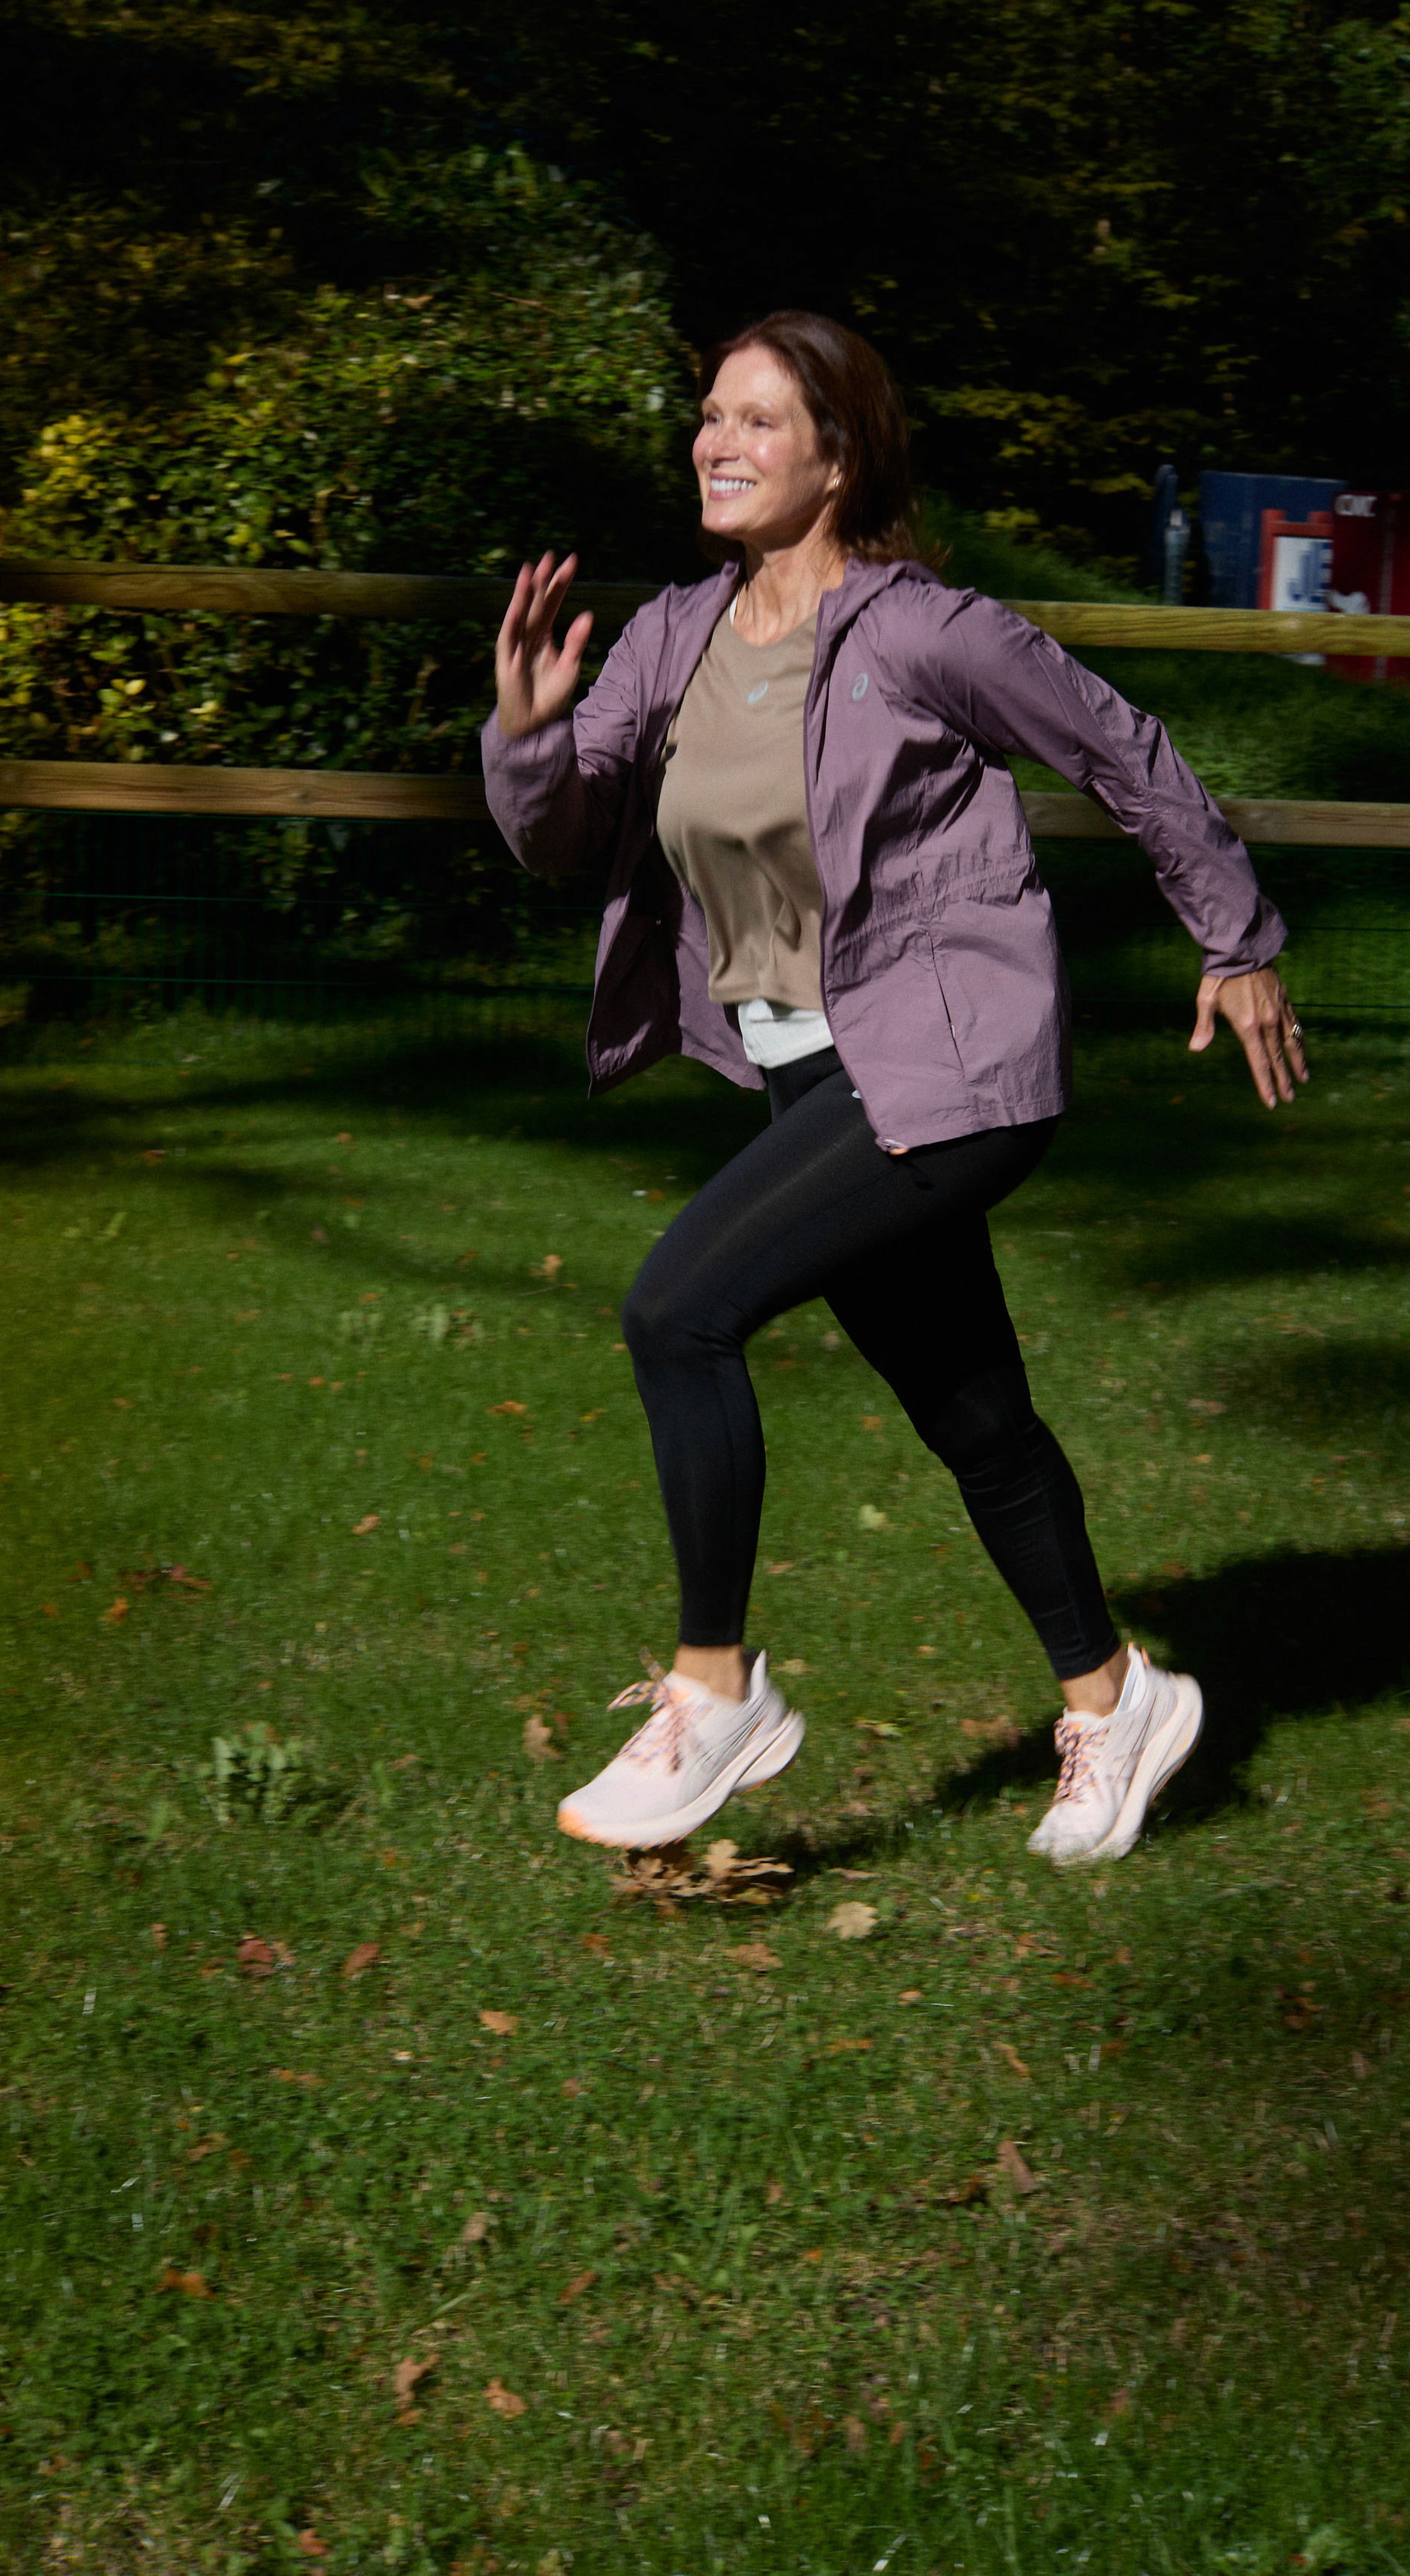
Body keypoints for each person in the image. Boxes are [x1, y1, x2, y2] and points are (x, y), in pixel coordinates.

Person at [482, 310, 1306, 1869]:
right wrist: (525, 735)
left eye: (758, 421)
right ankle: (1116, 1700)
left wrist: (1238, 938)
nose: (717, 441)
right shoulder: (674, 634)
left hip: (950, 1072)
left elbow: (1125, 750)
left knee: (679, 1311)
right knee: (972, 1412)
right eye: (710, 415)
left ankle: (715, 1691)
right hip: (803, 1078)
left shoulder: (927, 632)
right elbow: (564, 840)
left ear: (839, 457)